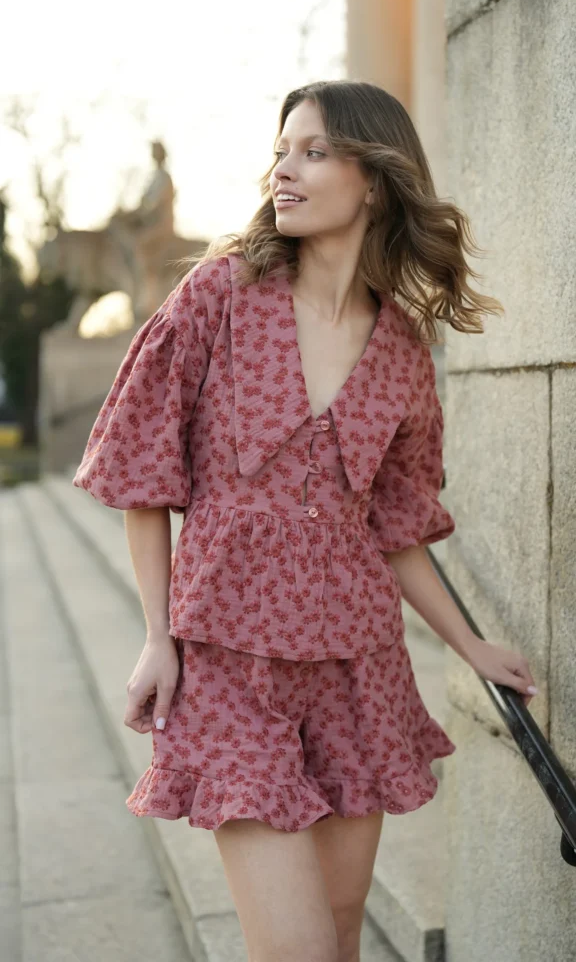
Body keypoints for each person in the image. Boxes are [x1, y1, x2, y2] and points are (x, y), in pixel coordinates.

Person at [73, 80, 538, 962]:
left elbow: (395, 528)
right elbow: (144, 474)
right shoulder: (218, 297)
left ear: (375, 183)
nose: (283, 170)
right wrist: (158, 636)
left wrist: (471, 647)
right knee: (297, 949)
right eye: (282, 151)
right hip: (229, 666)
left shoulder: (402, 350)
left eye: (314, 152)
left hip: (357, 672)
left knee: (340, 929)